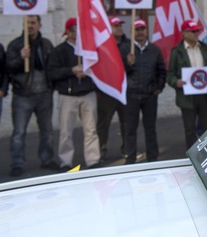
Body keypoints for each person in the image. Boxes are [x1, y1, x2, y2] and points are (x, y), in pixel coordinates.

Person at [6, 15, 59, 177]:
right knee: (19, 132)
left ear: (39, 25)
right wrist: (21, 58)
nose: (30, 26)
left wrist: (52, 88)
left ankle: (47, 159)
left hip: (44, 94)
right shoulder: (15, 45)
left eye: (33, 23)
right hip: (23, 94)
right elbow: (9, 67)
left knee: (47, 130)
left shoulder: (46, 44)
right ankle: (18, 163)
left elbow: (52, 67)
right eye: (27, 23)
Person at [48, 18, 100, 170]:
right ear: (69, 32)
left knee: (91, 129)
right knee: (66, 130)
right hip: (68, 95)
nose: (78, 33)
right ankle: (66, 161)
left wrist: (88, 73)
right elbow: (52, 72)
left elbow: (97, 68)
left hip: (87, 93)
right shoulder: (59, 51)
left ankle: (93, 159)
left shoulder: (89, 50)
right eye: (75, 30)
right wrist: (71, 70)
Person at [121, 19, 166, 164]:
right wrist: (127, 64)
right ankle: (130, 158)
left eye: (142, 29)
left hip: (149, 95)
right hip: (131, 95)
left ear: (146, 31)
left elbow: (161, 70)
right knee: (130, 129)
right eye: (137, 30)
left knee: (150, 128)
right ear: (132, 32)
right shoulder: (125, 49)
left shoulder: (154, 50)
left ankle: (153, 157)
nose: (140, 33)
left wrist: (159, 87)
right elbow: (119, 73)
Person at [167, 20, 207, 149]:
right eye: (192, 31)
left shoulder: (204, 49)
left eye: (196, 31)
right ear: (183, 33)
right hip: (187, 97)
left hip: (205, 95)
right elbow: (170, 74)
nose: (195, 33)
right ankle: (192, 155)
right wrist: (176, 82)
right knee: (190, 129)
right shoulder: (177, 51)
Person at [97, 16, 128, 159]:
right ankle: (101, 148)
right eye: (116, 25)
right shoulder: (103, 46)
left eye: (120, 25)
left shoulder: (128, 44)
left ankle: (126, 148)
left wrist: (130, 63)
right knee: (104, 123)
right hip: (107, 92)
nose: (119, 28)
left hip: (123, 90)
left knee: (126, 122)